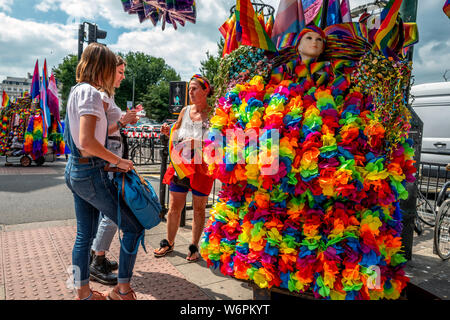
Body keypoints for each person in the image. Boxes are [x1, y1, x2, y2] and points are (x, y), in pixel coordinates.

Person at [64, 43, 143, 300]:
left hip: (77, 170)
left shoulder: (77, 90)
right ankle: (122, 290)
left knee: (83, 235)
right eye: (112, 68)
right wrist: (118, 162)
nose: (114, 73)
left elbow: (81, 141)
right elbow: (87, 143)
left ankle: (83, 294)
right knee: (133, 227)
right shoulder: (91, 94)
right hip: (90, 172)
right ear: (102, 68)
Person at [154, 74, 214, 262]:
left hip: (202, 167)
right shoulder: (185, 110)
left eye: (195, 88)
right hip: (181, 164)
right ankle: (169, 243)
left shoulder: (213, 114)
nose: (191, 92)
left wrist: (198, 142)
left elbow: (218, 142)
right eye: (189, 89)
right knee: (174, 207)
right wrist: (168, 129)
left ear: (206, 91)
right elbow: (177, 128)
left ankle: (194, 247)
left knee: (199, 209)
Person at [89, 55, 138, 286]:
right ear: (108, 72)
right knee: (113, 210)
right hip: (110, 158)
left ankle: (97, 256)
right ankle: (97, 260)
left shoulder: (108, 96)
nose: (123, 76)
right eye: (120, 72)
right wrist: (123, 122)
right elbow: (99, 133)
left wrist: (127, 119)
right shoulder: (102, 96)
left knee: (108, 211)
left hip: (113, 156)